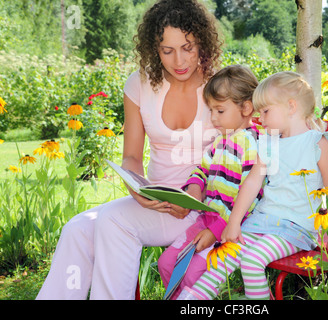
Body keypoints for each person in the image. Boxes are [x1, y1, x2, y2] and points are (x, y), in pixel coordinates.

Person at [36, 0, 222, 300]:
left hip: (207, 207)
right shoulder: (140, 84)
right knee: (77, 229)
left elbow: (245, 154)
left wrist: (194, 199)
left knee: (112, 221)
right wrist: (137, 189)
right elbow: (133, 157)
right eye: (167, 50)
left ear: (201, 40)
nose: (179, 60)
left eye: (187, 47)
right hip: (157, 203)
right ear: (154, 48)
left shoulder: (222, 84)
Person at [178, 71, 328, 300]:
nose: (261, 119)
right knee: (222, 257)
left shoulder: (316, 143)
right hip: (261, 220)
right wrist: (234, 222)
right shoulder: (269, 142)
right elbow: (252, 182)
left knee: (251, 261)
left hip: (295, 227)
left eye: (266, 111)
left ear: (291, 107)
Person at [157, 65, 266, 299]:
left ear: (246, 108)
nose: (213, 118)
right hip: (205, 220)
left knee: (193, 273)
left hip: (229, 229)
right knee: (166, 263)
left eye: (220, 110)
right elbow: (201, 170)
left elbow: (251, 198)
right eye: (211, 111)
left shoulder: (251, 144)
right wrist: (194, 190)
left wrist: (215, 232)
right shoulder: (220, 142)